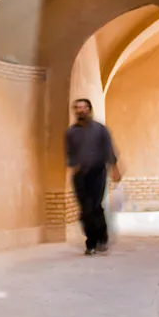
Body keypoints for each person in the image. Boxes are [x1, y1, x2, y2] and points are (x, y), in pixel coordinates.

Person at [65, 98, 121, 254]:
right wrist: (73, 165)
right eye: (77, 108)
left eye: (83, 107)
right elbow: (69, 152)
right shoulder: (71, 132)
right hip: (80, 175)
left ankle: (100, 239)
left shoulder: (100, 130)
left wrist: (114, 169)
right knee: (85, 208)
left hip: (98, 172)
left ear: (89, 109)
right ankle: (91, 241)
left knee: (95, 206)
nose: (80, 110)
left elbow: (109, 150)